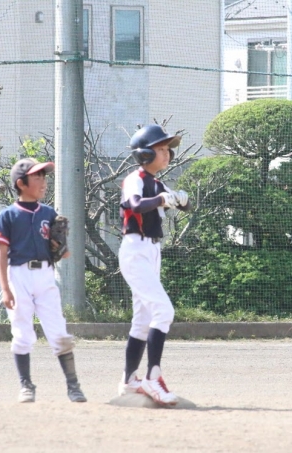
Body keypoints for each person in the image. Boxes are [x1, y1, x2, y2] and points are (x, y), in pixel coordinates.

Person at [0, 158, 86, 404]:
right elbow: (2, 254)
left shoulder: (48, 213)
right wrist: (5, 289)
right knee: (22, 332)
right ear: (21, 184)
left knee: (59, 332)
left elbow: (62, 252)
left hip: (45, 275)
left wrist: (61, 249)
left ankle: (73, 386)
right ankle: (26, 385)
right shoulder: (8, 215)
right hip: (18, 274)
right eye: (37, 177)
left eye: (44, 176)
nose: (43, 181)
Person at [117, 124, 192, 405]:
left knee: (143, 320)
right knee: (163, 311)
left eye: (167, 149)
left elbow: (183, 206)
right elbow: (136, 205)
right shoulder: (134, 179)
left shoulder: (158, 183)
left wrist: (182, 200)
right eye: (160, 149)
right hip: (135, 250)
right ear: (145, 154)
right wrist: (162, 199)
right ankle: (152, 378)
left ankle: (129, 381)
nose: (167, 153)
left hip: (151, 251)